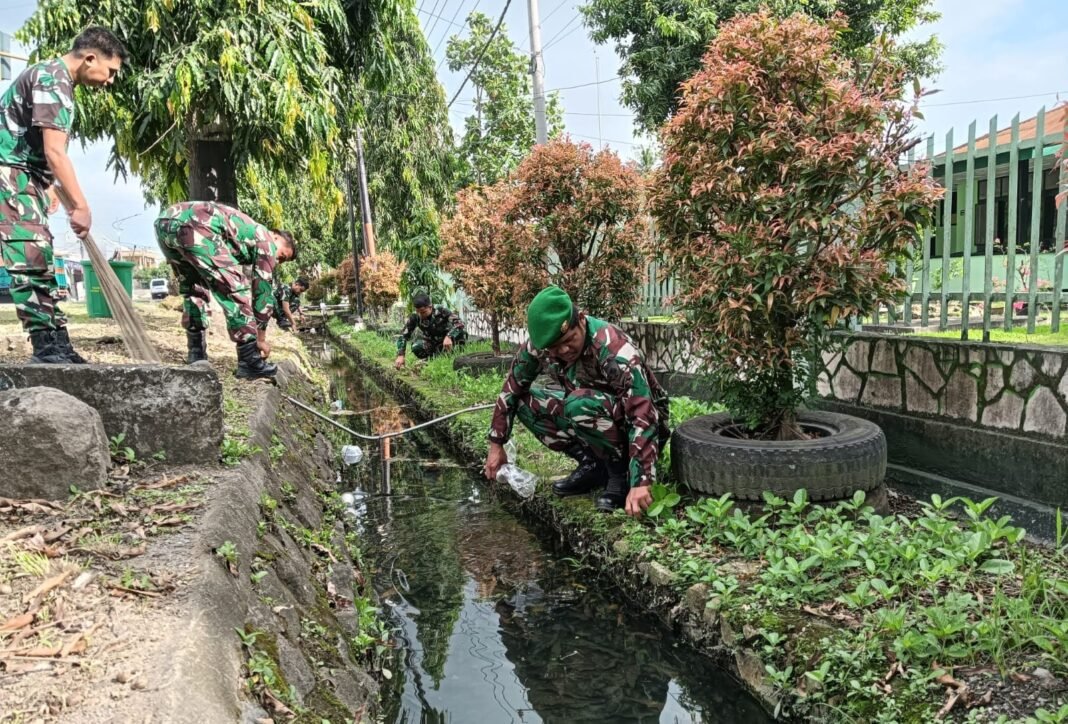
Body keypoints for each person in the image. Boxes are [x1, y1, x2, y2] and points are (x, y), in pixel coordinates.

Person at [482, 286, 670, 515]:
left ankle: (621, 474)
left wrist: (642, 480)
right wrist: (496, 444)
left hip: (644, 424)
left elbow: (642, 410)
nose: (563, 350)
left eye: (569, 339)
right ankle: (593, 465)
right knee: (523, 402)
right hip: (592, 414)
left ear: (580, 319)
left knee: (579, 404)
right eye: (554, 348)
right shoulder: (542, 347)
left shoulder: (613, 348)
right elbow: (511, 388)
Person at [0, 26, 127, 364]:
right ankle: (46, 350)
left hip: (26, 176)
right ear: (90, 58)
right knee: (29, 261)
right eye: (110, 71)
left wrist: (52, 189)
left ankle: (58, 344)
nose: (110, 80)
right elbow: (56, 152)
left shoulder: (57, 80)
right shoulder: (52, 79)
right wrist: (81, 206)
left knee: (42, 259)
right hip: (9, 173)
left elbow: (43, 152)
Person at [153, 201, 297, 380]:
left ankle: (196, 354)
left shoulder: (247, 231)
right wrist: (260, 338)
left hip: (166, 223)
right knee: (235, 289)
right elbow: (263, 290)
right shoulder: (266, 239)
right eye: (282, 256)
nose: (277, 261)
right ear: (275, 236)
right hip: (195, 224)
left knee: (194, 288)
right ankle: (249, 361)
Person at [393, 293, 467, 368]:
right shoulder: (415, 316)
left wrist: (449, 336)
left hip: (450, 341)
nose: (420, 315)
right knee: (416, 347)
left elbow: (460, 324)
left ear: (430, 307)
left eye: (423, 312)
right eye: (418, 312)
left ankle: (450, 355)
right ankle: (431, 359)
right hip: (433, 342)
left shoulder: (441, 310)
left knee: (461, 335)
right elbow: (403, 336)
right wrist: (401, 355)